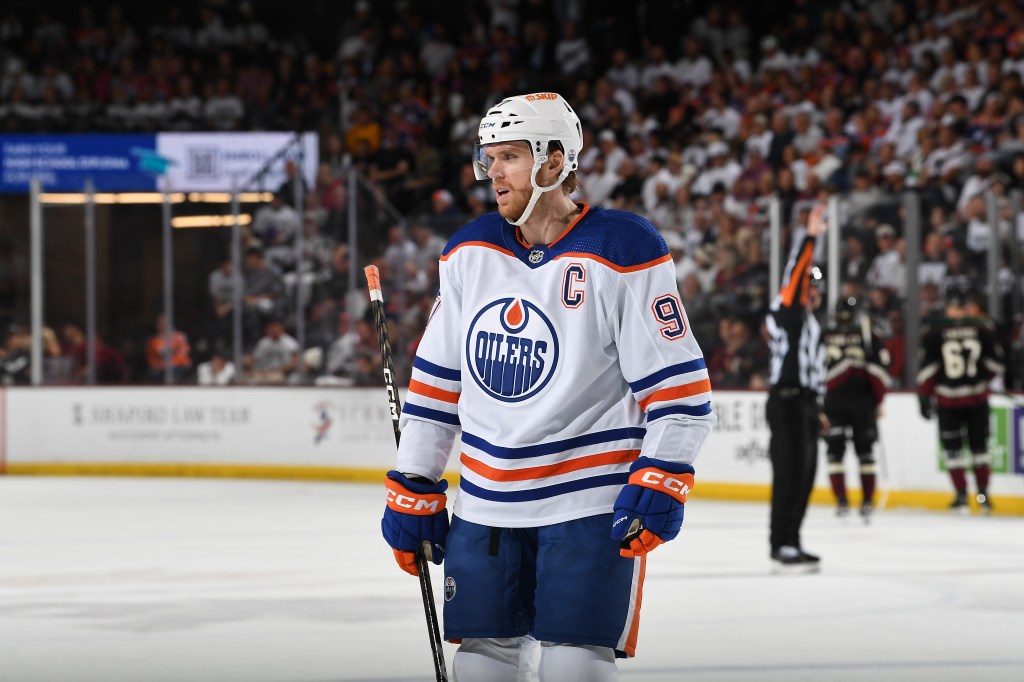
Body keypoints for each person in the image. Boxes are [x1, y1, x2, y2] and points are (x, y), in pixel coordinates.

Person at [379, 92, 715, 681]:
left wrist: (664, 472)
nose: (493, 173)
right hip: (485, 504)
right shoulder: (468, 251)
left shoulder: (623, 247)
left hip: (587, 505)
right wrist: (415, 479)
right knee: (482, 670)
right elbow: (435, 388)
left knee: (573, 671)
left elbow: (680, 394)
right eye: (489, 158)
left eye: (509, 156)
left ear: (554, 162)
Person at [764, 205, 828, 573]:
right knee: (788, 474)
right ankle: (780, 543)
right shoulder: (786, 310)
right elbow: (795, 274)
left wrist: (819, 407)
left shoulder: (811, 323)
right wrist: (810, 237)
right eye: (811, 285)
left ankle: (793, 539)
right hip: (785, 401)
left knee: (804, 476)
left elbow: (816, 370)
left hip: (804, 403)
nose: (813, 292)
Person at [917, 288, 1005, 514]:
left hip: (948, 400)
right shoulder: (981, 328)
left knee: (953, 451)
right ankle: (983, 496)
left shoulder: (935, 332)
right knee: (979, 449)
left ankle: (961, 496)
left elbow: (928, 370)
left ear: (948, 307)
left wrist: (924, 397)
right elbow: (996, 365)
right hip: (976, 398)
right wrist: (980, 381)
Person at [822, 296, 890, 522]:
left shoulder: (825, 336)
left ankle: (845, 501)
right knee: (864, 454)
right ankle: (864, 501)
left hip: (837, 403)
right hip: (860, 402)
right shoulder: (866, 335)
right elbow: (878, 368)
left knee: (837, 454)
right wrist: (879, 399)